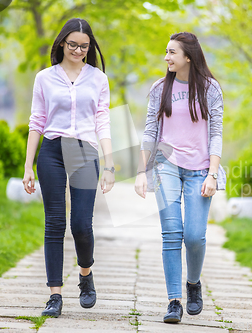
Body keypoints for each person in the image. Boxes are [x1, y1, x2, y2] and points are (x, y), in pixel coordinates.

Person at [22, 18, 115, 318]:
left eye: (84, 46)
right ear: (62, 42)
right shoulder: (44, 78)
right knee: (54, 223)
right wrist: (28, 167)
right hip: (51, 150)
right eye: (73, 44)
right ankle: (54, 295)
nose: (78, 50)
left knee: (81, 225)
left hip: (85, 150)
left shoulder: (98, 79)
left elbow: (103, 120)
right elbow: (36, 121)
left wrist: (110, 163)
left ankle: (85, 274)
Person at [134, 32, 226, 323]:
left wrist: (212, 174)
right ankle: (174, 301)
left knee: (195, 236)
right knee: (172, 233)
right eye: (166, 52)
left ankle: (193, 285)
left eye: (172, 52)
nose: (166, 57)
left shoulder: (211, 89)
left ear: (188, 56)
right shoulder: (160, 88)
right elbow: (150, 131)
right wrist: (141, 171)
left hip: (200, 169)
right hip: (166, 166)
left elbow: (216, 134)